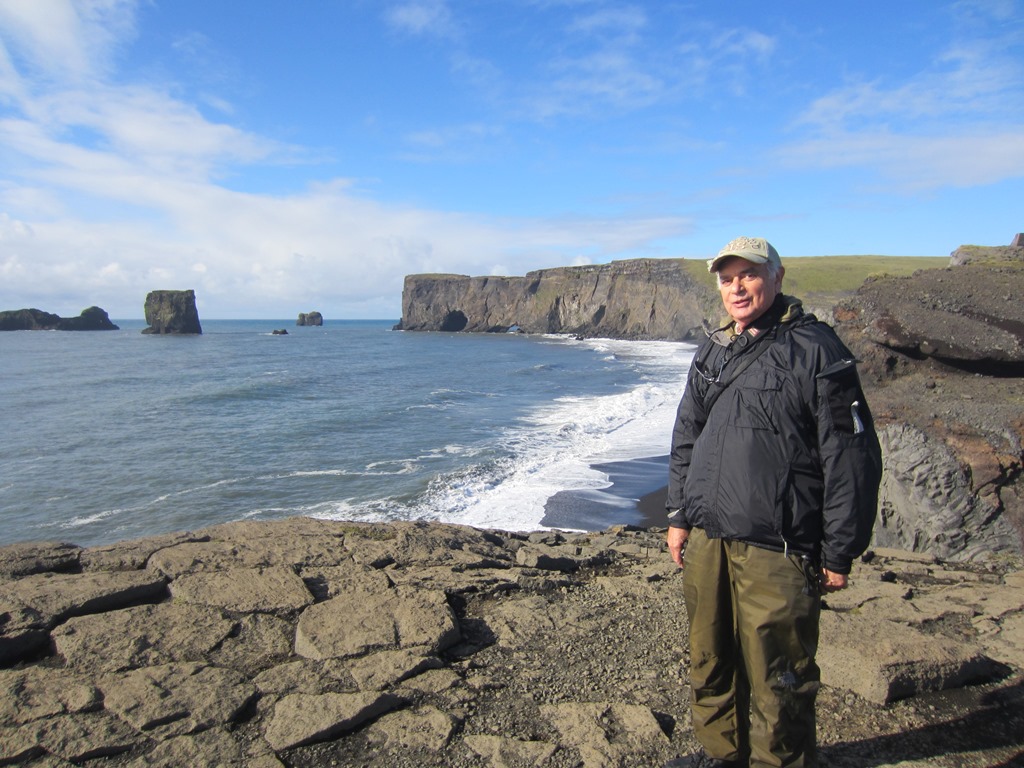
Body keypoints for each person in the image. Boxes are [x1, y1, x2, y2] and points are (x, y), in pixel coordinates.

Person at [665, 236, 882, 768]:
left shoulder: (818, 349)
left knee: (778, 675)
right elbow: (686, 435)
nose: (737, 287)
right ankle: (723, 755)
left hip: (778, 546)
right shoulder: (713, 349)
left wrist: (839, 550)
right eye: (726, 278)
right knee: (709, 657)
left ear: (778, 277)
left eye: (749, 275)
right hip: (709, 536)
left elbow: (850, 455)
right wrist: (677, 516)